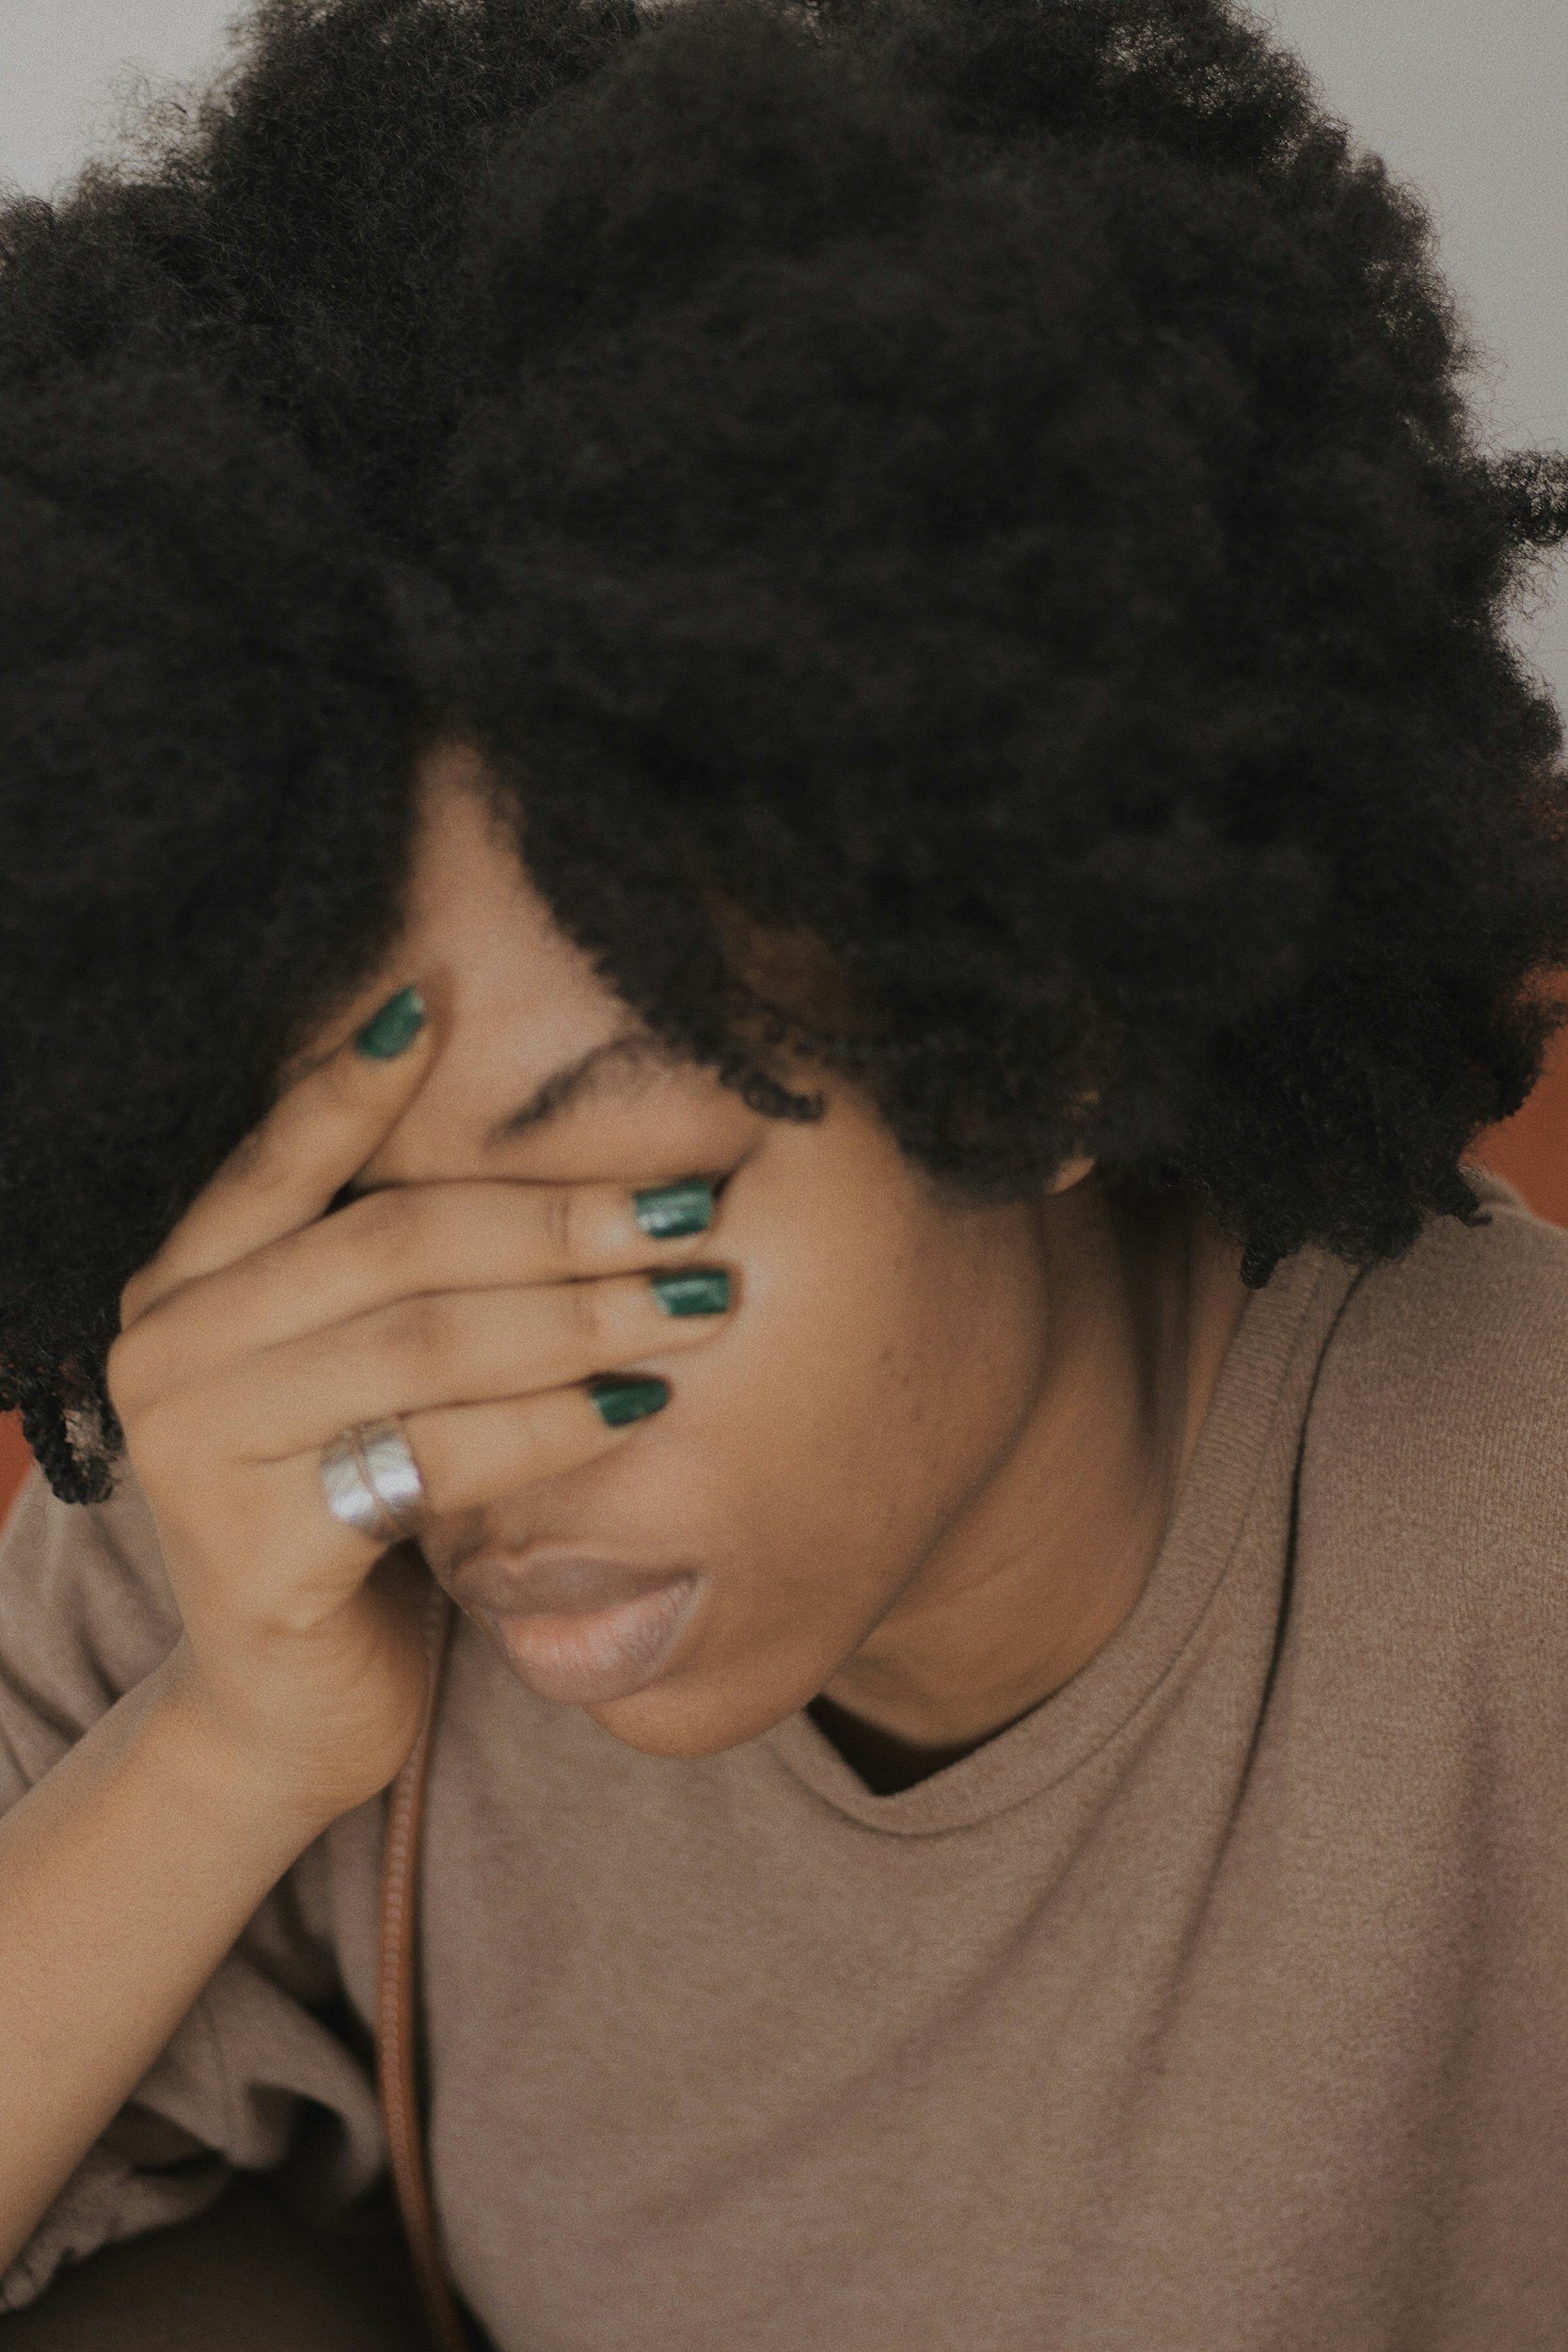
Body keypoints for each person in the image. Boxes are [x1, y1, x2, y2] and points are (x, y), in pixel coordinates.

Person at [1, 0, 1566, 2344]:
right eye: (350, 1210)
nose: (475, 1423)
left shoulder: (1512, 1553)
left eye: (616, 1198)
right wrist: (225, 1750)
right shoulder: (276, 1488)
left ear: (1029, 1019)